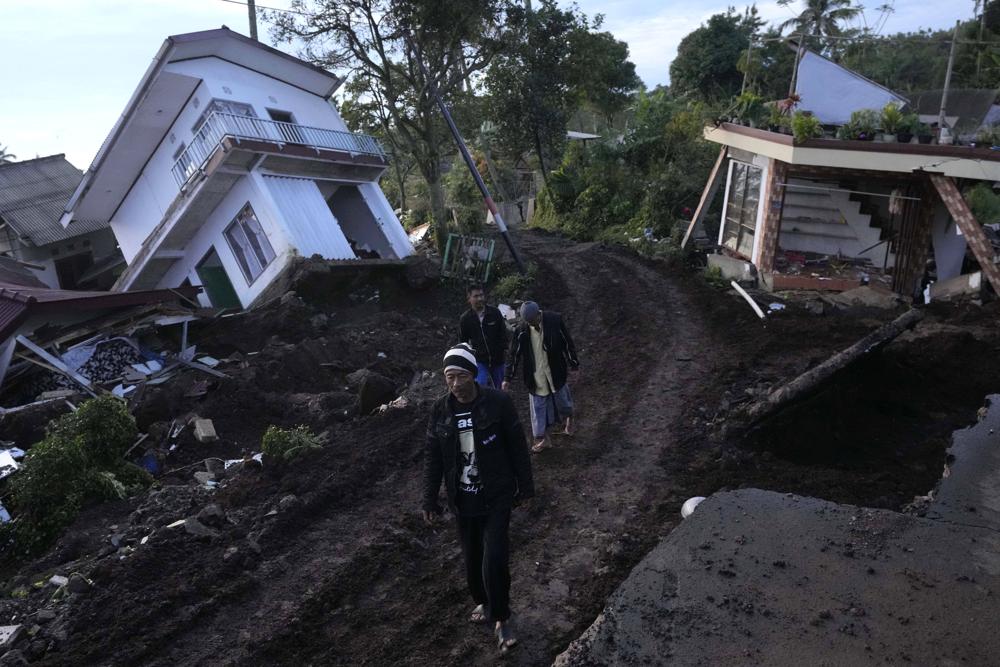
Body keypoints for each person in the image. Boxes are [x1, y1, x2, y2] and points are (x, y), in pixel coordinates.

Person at [422, 343, 534, 655]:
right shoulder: (440, 410)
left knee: (494, 558)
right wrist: (428, 500)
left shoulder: (498, 403)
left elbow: (517, 447)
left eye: (460, 376)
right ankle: (484, 602)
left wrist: (526, 488)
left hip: (496, 496)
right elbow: (433, 457)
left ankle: (502, 618)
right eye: (449, 377)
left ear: (473, 375)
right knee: (472, 562)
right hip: (463, 501)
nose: (455, 384)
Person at [502, 301, 579, 453]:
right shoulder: (522, 331)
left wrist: (574, 365)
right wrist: (507, 378)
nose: (533, 324)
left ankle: (570, 420)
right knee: (538, 411)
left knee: (564, 403)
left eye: (534, 320)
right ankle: (544, 439)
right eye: (529, 322)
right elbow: (513, 355)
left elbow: (567, 343)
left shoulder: (554, 321)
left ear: (539, 314)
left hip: (556, 373)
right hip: (536, 378)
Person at [458, 284, 508, 389]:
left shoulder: (494, 313)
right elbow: (463, 341)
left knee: (501, 388)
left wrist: (502, 348)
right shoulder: (465, 319)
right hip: (479, 359)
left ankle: (499, 404)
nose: (480, 298)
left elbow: (503, 333)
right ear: (469, 299)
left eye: (481, 295)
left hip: (497, 358)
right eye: (476, 296)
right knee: (480, 384)